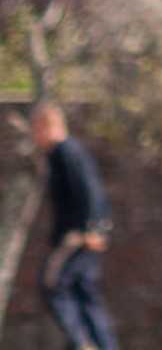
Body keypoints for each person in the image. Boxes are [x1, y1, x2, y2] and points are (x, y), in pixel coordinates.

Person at [29, 102, 117, 350]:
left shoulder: (64, 152)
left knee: (52, 283)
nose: (34, 136)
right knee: (84, 291)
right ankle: (102, 345)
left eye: (35, 129)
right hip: (90, 232)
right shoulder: (71, 152)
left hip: (79, 236)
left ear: (46, 125)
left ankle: (81, 343)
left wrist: (92, 229)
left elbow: (88, 189)